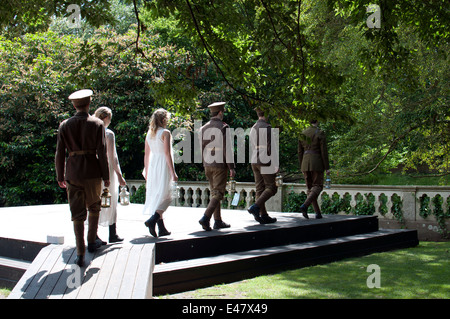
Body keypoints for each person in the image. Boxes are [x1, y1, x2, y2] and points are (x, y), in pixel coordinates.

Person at [55, 89, 110, 267]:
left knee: (77, 214)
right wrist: (106, 175)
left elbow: (59, 153)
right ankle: (92, 241)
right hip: (93, 172)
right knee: (94, 207)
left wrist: (60, 175)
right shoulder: (97, 124)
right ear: (89, 104)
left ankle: (80, 253)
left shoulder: (65, 125)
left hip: (73, 173)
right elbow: (102, 152)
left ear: (74, 105)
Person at [198, 102, 236, 231]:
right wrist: (231, 167)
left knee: (214, 192)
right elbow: (227, 149)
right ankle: (206, 217)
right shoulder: (223, 127)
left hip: (208, 164)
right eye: (223, 112)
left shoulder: (203, 128)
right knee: (218, 193)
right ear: (220, 112)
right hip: (219, 164)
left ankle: (218, 220)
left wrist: (205, 163)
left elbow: (201, 148)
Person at [143, 108, 178, 238]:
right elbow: (167, 153)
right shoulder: (165, 132)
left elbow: (146, 154)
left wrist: (146, 171)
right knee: (168, 195)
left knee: (158, 194)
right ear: (163, 120)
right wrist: (173, 172)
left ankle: (161, 228)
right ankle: (153, 219)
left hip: (153, 165)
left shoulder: (150, 133)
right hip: (163, 164)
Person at [93, 106, 126, 243]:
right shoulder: (108, 134)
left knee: (95, 201)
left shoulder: (91, 132)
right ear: (106, 118)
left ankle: (93, 234)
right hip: (108, 171)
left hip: (95, 170)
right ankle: (112, 234)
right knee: (111, 200)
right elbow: (113, 157)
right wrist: (119, 174)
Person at [247, 107, 278, 224]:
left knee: (260, 188)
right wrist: (275, 164)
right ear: (267, 114)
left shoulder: (253, 128)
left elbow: (251, 146)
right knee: (272, 187)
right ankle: (255, 207)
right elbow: (272, 147)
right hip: (265, 159)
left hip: (254, 159)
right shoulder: (267, 127)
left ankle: (263, 215)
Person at [297, 119, 330, 219]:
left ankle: (317, 213)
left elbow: (299, 152)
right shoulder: (320, 133)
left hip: (305, 163)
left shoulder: (302, 133)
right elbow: (323, 152)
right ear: (317, 121)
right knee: (318, 186)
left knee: (310, 189)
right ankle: (305, 205)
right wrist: (327, 167)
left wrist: (301, 165)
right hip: (317, 163)